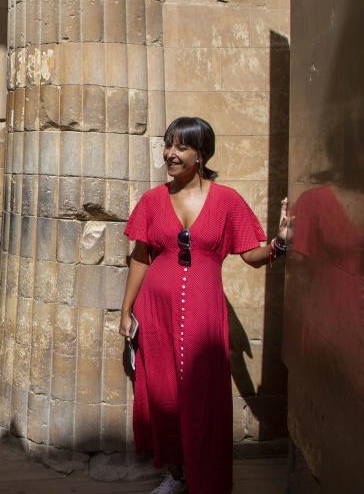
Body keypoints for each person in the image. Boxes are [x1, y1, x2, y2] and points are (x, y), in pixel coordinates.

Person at [119, 117, 289, 494]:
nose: (170, 154)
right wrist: (126, 310)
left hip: (203, 310)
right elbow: (141, 257)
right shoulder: (152, 200)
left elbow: (252, 255)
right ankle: (175, 476)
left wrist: (280, 243)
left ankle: (206, 481)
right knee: (163, 394)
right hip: (156, 311)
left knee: (204, 395)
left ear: (201, 154)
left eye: (180, 147)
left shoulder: (227, 201)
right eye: (168, 145)